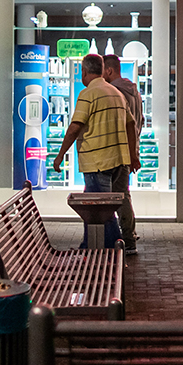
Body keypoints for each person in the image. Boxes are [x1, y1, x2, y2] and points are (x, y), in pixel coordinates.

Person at [53, 53, 136, 249]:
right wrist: (132, 155)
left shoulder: (88, 94)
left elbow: (75, 126)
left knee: (100, 211)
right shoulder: (116, 93)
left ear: (84, 71)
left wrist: (60, 155)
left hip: (98, 162)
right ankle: (90, 245)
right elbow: (131, 125)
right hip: (120, 161)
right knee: (97, 207)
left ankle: (115, 248)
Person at [103, 54, 143, 254]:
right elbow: (139, 122)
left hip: (118, 149)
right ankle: (126, 234)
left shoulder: (115, 92)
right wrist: (134, 152)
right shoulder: (135, 92)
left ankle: (128, 238)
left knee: (119, 195)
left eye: (102, 71)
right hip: (129, 148)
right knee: (122, 193)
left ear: (109, 70)